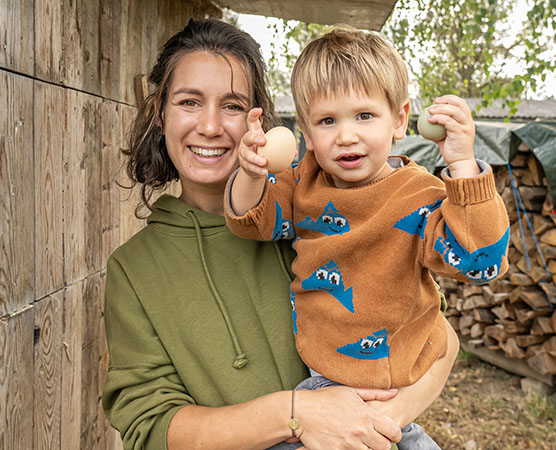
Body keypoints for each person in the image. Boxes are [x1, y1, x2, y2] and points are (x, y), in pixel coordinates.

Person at [102, 18, 459, 450]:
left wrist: (380, 421)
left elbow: (439, 335)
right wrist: (296, 414)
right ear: (160, 114)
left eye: (233, 106)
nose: (211, 126)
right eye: (189, 102)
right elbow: (150, 427)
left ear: (261, 123)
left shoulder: (320, 216)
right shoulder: (134, 269)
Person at [225, 27, 510, 448]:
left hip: (400, 389)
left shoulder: (420, 194)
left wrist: (464, 166)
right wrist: (251, 174)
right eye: (327, 121)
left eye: (364, 116)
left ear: (399, 119)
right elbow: (253, 220)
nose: (346, 135)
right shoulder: (303, 183)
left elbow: (480, 262)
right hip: (325, 390)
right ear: (306, 132)